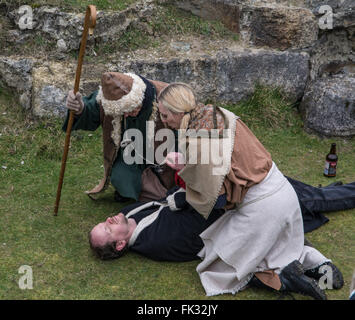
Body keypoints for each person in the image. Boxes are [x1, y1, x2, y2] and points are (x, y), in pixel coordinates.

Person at [154, 82, 344, 299]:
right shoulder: (218, 113)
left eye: (165, 115)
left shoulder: (198, 140)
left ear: (178, 112)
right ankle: (318, 264)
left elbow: (216, 199)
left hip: (262, 207)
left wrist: (184, 170)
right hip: (283, 190)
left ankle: (284, 280)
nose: (164, 121)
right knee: (277, 244)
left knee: (219, 263)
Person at [63, 72, 176, 203]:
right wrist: (79, 108)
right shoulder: (110, 97)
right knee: (121, 177)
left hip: (165, 157)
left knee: (167, 181)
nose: (127, 115)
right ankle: (139, 191)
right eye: (123, 112)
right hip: (129, 157)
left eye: (132, 109)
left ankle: (162, 192)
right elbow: (91, 109)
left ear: (140, 98)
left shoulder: (165, 93)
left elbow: (186, 120)